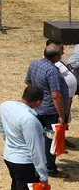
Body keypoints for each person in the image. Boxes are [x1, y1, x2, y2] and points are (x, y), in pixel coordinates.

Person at [0, 86, 48, 190]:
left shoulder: (5, 106)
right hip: (25, 162)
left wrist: (10, 142)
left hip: (9, 156)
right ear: (38, 102)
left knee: (16, 188)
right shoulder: (30, 119)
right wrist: (43, 174)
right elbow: (35, 149)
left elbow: (0, 127)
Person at [25, 43, 70, 178]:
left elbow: (28, 82)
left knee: (38, 138)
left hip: (38, 109)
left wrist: (38, 95)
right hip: (50, 112)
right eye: (60, 54)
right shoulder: (52, 71)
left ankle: (36, 163)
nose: (62, 55)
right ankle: (49, 167)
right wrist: (61, 116)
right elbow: (56, 95)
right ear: (55, 57)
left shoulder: (34, 64)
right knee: (50, 139)